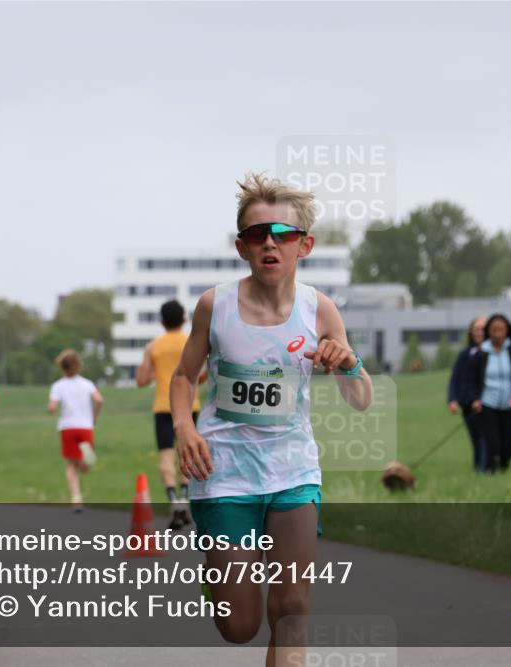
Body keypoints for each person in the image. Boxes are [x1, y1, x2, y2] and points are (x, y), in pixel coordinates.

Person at [170, 173, 373, 665]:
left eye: (282, 235)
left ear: (305, 245)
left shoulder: (319, 310)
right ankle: (221, 573)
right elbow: (182, 378)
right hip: (224, 473)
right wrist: (184, 427)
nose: (269, 244)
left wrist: (347, 361)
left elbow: (361, 398)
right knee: (239, 627)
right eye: (257, 235)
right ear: (242, 247)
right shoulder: (213, 306)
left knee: (292, 605)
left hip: (293, 471)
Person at [136, 299, 204, 530]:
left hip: (163, 407)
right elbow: (203, 374)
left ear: (161, 321)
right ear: (185, 320)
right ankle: (185, 496)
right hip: (189, 405)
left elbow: (141, 380)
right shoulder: (190, 342)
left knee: (166, 455)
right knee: (187, 453)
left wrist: (159, 373)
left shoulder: (153, 346)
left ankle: (174, 500)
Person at [465, 314, 511, 472]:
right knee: (492, 443)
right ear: (488, 332)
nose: (497, 333)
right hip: (487, 405)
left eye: (501, 330)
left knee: (508, 445)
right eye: (494, 330)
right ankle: (492, 472)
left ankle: (503, 470)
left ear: (507, 331)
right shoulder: (479, 354)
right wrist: (474, 399)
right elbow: (469, 380)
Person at [48, 349, 103, 512]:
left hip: (67, 427)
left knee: (71, 465)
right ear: (79, 365)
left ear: (61, 367)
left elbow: (52, 407)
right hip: (86, 426)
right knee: (85, 463)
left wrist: (52, 409)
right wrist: (94, 417)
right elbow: (99, 400)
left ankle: (76, 498)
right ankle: (85, 461)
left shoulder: (58, 386)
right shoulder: (87, 384)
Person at [448, 315, 488, 472]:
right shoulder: (465, 354)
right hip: (467, 406)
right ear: (471, 332)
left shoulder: (492, 354)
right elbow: (455, 378)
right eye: (476, 329)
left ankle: (484, 471)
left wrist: (481, 399)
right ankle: (477, 468)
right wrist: (452, 399)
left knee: (485, 438)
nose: (479, 332)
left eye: (483, 329)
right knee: (475, 439)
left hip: (485, 406)